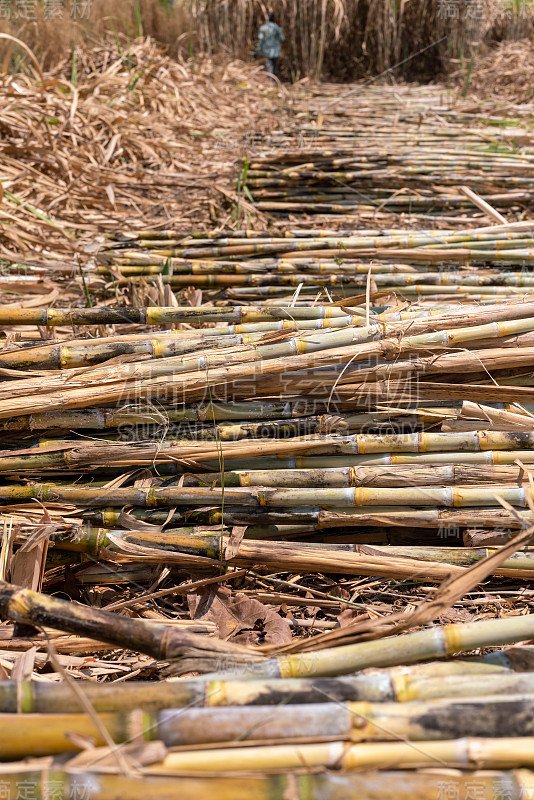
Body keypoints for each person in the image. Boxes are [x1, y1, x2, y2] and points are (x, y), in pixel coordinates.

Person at [255, 12, 285, 79]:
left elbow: (260, 40)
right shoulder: (277, 28)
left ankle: (270, 82)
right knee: (275, 68)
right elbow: (282, 38)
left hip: (266, 52)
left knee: (268, 68)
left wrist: (256, 51)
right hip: (275, 52)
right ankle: (273, 81)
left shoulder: (263, 28)